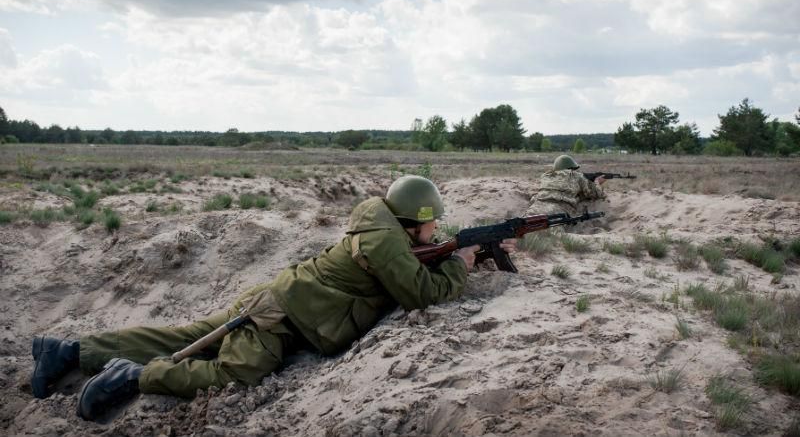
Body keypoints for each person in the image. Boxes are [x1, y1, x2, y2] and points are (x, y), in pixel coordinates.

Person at [30, 175, 517, 421]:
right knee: (235, 371)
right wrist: (461, 262)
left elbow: (410, 264)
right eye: (433, 223)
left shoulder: (383, 228)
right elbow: (420, 294)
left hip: (282, 297)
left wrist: (450, 252)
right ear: (414, 221)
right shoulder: (389, 243)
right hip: (281, 318)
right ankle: (136, 374)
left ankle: (68, 351)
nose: (438, 230)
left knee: (189, 334)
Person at [526, 154, 606, 217]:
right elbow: (596, 194)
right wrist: (597, 182)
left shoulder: (546, 176)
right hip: (558, 210)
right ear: (572, 168)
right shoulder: (577, 176)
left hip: (536, 206)